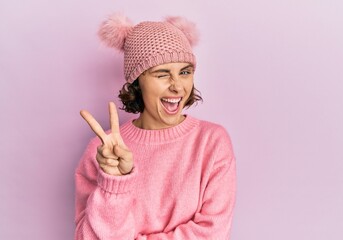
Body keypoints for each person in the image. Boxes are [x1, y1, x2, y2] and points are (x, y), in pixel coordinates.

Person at [75, 13, 236, 240]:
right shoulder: (103, 151)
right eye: (162, 74)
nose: (177, 87)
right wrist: (114, 184)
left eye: (185, 72)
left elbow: (213, 233)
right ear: (137, 82)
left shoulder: (212, 142)